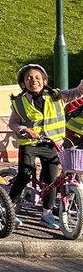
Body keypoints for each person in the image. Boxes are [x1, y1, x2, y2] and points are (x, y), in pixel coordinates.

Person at [7, 63, 83, 229]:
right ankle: (9, 208)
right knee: (24, 175)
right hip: (30, 144)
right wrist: (24, 129)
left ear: (44, 80)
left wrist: (82, 85)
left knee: (52, 180)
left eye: (37, 78)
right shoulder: (19, 102)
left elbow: (77, 93)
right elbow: (12, 123)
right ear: (23, 83)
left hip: (52, 144)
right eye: (28, 78)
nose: (33, 81)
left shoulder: (56, 96)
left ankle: (46, 215)